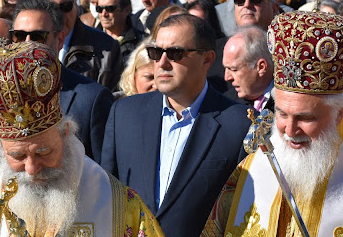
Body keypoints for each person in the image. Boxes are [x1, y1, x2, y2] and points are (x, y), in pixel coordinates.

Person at [0, 41, 164, 237]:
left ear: (66, 134)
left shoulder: (121, 209)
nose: (31, 169)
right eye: (16, 156)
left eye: (43, 152)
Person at [203, 11, 343, 236]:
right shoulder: (251, 169)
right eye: (282, 114)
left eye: (305, 118)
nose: (289, 131)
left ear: (339, 115)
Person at [101, 14, 252, 237]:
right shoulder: (124, 113)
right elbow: (107, 196)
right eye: (155, 52)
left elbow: (245, 213)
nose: (161, 63)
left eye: (175, 53)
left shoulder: (240, 123)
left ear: (207, 60)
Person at [10, 0, 114, 163]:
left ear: (59, 40)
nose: (28, 45)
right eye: (20, 36)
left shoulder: (92, 99)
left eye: (38, 36)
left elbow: (104, 172)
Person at [32, 0, 123, 91]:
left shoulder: (107, 49)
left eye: (65, 7)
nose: (58, 15)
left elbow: (113, 101)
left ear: (75, 3)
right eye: (50, 8)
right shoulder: (21, 45)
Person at [223, 26, 274, 112]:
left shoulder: (288, 102)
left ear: (261, 67)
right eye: (226, 68)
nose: (227, 77)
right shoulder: (225, 104)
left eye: (234, 69)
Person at [96, 0, 144, 65]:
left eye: (110, 8)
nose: (103, 14)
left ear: (126, 10)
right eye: (99, 9)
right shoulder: (88, 42)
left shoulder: (142, 43)